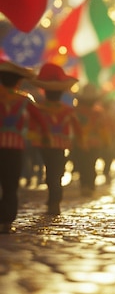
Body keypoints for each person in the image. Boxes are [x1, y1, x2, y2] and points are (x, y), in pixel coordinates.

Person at [0, 59, 49, 233]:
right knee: (11, 185)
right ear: (19, 81)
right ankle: (6, 221)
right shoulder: (24, 100)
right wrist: (45, 136)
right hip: (15, 149)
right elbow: (41, 120)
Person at [29, 63, 82, 215]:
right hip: (61, 145)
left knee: (50, 171)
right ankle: (55, 201)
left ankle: (53, 199)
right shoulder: (68, 110)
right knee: (57, 172)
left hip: (43, 144)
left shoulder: (38, 108)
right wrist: (81, 140)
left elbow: (32, 126)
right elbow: (77, 127)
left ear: (44, 92)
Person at [72, 83, 111, 196]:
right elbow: (103, 129)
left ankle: (84, 185)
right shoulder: (98, 113)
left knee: (82, 165)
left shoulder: (76, 112)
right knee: (91, 165)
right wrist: (107, 142)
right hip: (95, 143)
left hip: (79, 143)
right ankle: (90, 186)